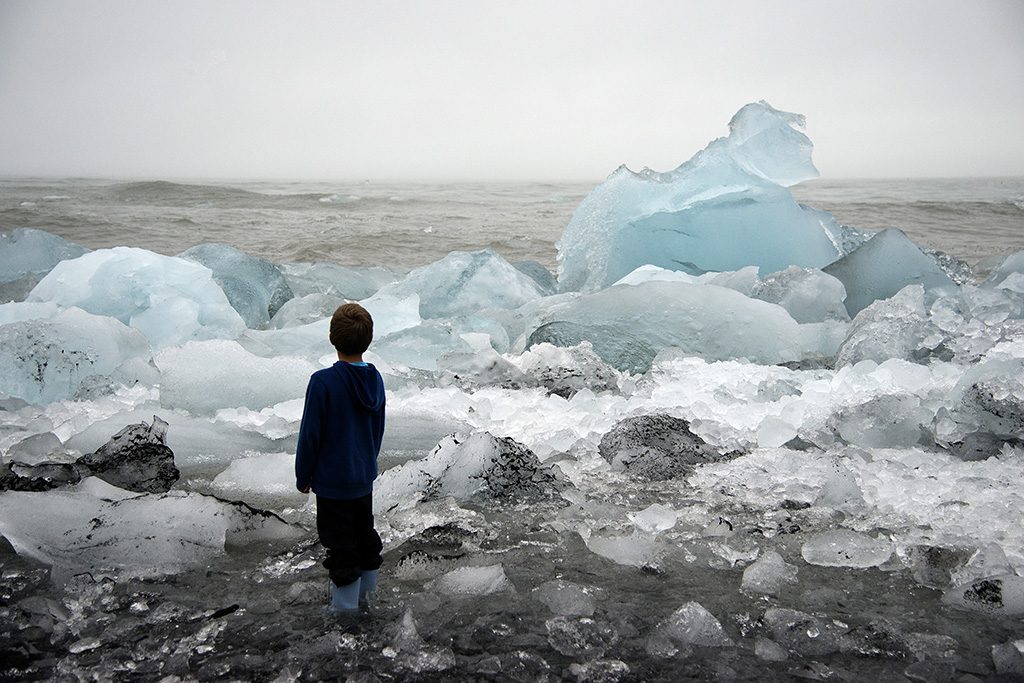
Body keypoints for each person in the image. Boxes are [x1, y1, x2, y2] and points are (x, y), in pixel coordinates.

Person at [295, 303, 386, 613]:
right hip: (362, 478)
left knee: (341, 547)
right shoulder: (375, 380)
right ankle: (367, 601)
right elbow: (378, 429)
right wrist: (367, 464)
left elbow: (310, 435)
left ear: (331, 336)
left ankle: (345, 615)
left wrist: (303, 476)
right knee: (365, 539)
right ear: (369, 340)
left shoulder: (323, 382)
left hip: (333, 483)